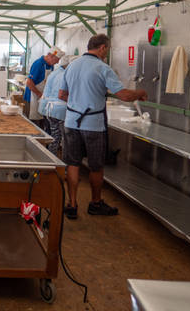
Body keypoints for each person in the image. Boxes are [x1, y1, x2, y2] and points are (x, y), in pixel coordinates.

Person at [58, 34, 147, 220]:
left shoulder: (71, 66)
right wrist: (139, 92)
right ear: (102, 48)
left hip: (71, 123)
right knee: (96, 166)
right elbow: (123, 95)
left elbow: (62, 94)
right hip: (93, 125)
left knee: (72, 164)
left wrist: (78, 103)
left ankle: (72, 204)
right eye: (107, 49)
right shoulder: (102, 68)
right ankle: (95, 203)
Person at [39, 55, 78, 156]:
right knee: (66, 139)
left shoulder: (55, 73)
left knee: (55, 137)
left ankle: (51, 159)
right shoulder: (67, 74)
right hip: (61, 110)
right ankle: (65, 164)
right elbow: (63, 95)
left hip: (50, 110)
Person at [24, 47, 64, 122]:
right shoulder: (38, 64)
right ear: (50, 56)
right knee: (32, 122)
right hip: (32, 97)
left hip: (41, 97)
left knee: (40, 121)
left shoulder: (50, 65)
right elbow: (29, 82)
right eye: (56, 60)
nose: (57, 63)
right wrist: (39, 94)